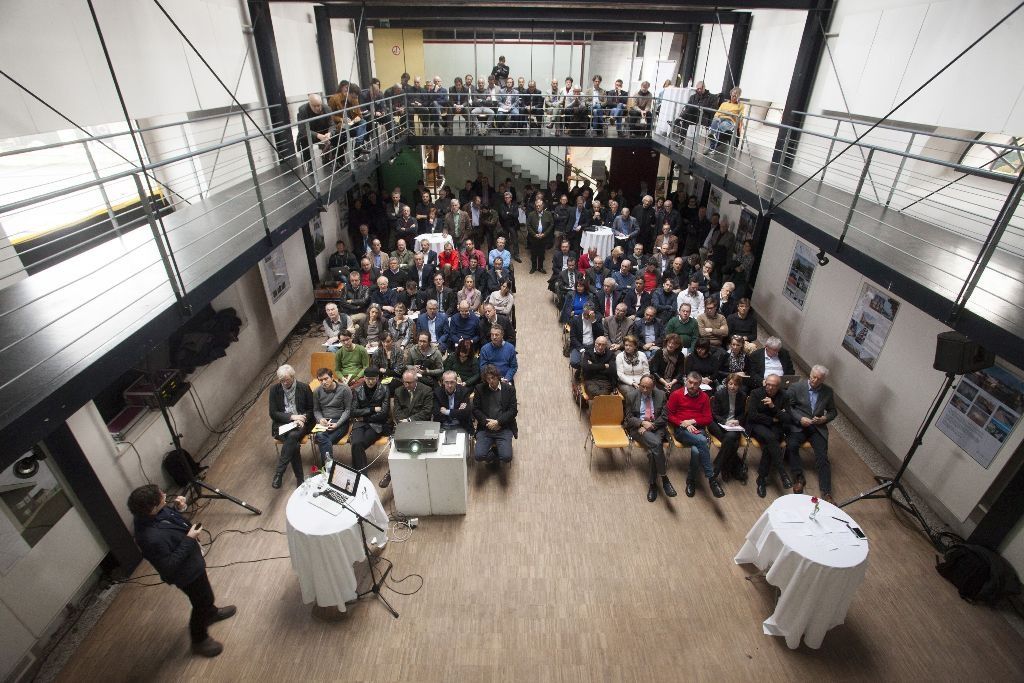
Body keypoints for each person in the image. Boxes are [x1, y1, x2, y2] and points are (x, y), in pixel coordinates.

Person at [127, 485, 236, 657]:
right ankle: (199, 640)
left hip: (193, 564)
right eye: (161, 496)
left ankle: (211, 613)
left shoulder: (151, 514)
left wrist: (178, 508)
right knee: (202, 601)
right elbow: (168, 565)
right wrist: (189, 539)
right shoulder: (149, 538)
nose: (164, 495)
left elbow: (169, 521)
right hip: (186, 575)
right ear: (153, 508)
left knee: (205, 597)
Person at [666, 372, 725, 498]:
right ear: (686, 381)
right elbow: (669, 415)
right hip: (681, 430)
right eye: (690, 382)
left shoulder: (704, 397)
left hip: (698, 430)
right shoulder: (676, 394)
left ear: (700, 384)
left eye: (696, 384)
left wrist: (692, 421)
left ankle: (691, 481)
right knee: (703, 441)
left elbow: (708, 418)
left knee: (697, 451)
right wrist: (683, 423)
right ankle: (711, 479)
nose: (692, 385)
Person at [786, 365, 838, 502]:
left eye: (819, 379)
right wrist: (800, 418)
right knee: (792, 446)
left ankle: (826, 492)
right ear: (810, 374)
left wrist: (824, 418)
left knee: (822, 457)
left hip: (817, 428)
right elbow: (788, 407)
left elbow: (833, 411)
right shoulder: (796, 387)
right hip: (799, 426)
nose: (815, 380)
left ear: (823, 380)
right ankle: (799, 478)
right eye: (814, 377)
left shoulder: (827, 392)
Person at [623, 375, 676, 501]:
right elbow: (628, 418)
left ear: (653, 387)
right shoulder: (631, 396)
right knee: (657, 444)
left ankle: (652, 485)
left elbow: (664, 417)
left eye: (648, 387)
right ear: (639, 384)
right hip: (638, 429)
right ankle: (664, 478)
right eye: (642, 386)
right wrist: (642, 423)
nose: (645, 390)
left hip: (656, 427)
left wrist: (651, 425)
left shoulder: (661, 395)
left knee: (653, 452)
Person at [747, 373, 793, 498]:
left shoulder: (784, 396)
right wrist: (773, 419)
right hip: (757, 426)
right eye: (768, 384)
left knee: (770, 443)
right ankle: (782, 473)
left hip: (775, 428)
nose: (770, 387)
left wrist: (773, 407)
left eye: (773, 386)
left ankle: (761, 478)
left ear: (779, 386)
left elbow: (788, 418)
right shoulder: (756, 393)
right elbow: (752, 415)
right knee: (771, 438)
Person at [268, 364, 314, 489]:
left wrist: (303, 418)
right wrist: (292, 417)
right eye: (281, 380)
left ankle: (279, 473)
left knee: (293, 436)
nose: (284, 383)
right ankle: (300, 479)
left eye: (286, 380)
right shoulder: (274, 390)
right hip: (283, 423)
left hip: (301, 423)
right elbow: (273, 413)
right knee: (294, 444)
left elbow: (311, 409)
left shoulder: (304, 388)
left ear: (293, 377)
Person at [472, 364, 518, 464]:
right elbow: (475, 409)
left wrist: (498, 422)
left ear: (498, 376)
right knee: (478, 456)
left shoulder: (509, 389)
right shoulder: (479, 389)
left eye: (493, 378)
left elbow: (513, 411)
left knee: (506, 457)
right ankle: (494, 453)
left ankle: (496, 452)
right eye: (488, 379)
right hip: (486, 428)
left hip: (504, 427)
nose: (491, 381)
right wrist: (488, 423)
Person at [708, 372, 748, 482]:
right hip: (718, 424)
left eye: (735, 384)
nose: (732, 386)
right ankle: (732, 467)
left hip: (734, 426)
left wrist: (737, 420)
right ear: (727, 384)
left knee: (730, 439)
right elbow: (715, 414)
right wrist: (725, 421)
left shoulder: (742, 396)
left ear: (739, 386)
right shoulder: (719, 394)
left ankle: (718, 468)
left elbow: (742, 413)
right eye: (730, 384)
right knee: (733, 442)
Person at [349, 367, 391, 469]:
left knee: (357, 445)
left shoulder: (385, 389)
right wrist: (372, 409)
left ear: (377, 378)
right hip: (359, 424)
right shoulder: (357, 390)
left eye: (373, 379)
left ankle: (359, 473)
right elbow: (353, 411)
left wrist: (364, 418)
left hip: (377, 424)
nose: (370, 381)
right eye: (368, 379)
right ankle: (361, 473)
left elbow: (384, 413)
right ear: (364, 378)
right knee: (356, 443)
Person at [312, 368, 353, 466]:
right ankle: (329, 468)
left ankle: (327, 469)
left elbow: (348, 410)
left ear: (332, 377)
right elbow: (316, 410)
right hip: (324, 422)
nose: (323, 382)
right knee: (323, 438)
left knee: (321, 439)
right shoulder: (317, 391)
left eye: (326, 379)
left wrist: (337, 424)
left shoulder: (344, 389)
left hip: (340, 422)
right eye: (320, 380)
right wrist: (320, 419)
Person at [295, 93, 330, 169]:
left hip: (324, 133)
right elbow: (302, 129)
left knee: (336, 134)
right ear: (309, 104)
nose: (317, 108)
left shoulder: (326, 108)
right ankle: (309, 162)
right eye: (314, 106)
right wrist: (318, 135)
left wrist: (329, 133)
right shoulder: (302, 110)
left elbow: (332, 124)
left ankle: (330, 157)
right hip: (310, 134)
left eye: (319, 105)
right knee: (303, 139)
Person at [706, 87, 744, 154]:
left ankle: (712, 147)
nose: (733, 97)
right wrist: (720, 115)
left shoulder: (740, 106)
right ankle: (713, 136)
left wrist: (732, 115)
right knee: (715, 121)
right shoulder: (724, 104)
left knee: (720, 126)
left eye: (735, 96)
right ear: (730, 94)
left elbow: (740, 119)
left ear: (739, 96)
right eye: (732, 95)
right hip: (720, 118)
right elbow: (717, 114)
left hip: (730, 121)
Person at [616, 334, 649, 400]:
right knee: (632, 394)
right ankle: (633, 407)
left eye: (630, 345)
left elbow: (646, 372)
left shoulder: (642, 355)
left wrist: (642, 382)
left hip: (641, 381)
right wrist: (632, 383)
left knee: (651, 390)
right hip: (625, 383)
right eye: (626, 345)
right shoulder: (619, 356)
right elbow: (620, 374)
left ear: (635, 346)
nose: (628, 347)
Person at [526, 197, 553, 274]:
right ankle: (534, 267)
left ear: (543, 205)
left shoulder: (548, 214)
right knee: (533, 253)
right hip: (533, 238)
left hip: (544, 238)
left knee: (542, 253)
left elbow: (551, 224)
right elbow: (528, 225)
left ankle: (540, 267)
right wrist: (534, 234)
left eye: (540, 205)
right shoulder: (531, 214)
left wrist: (545, 234)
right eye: (537, 206)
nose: (538, 207)